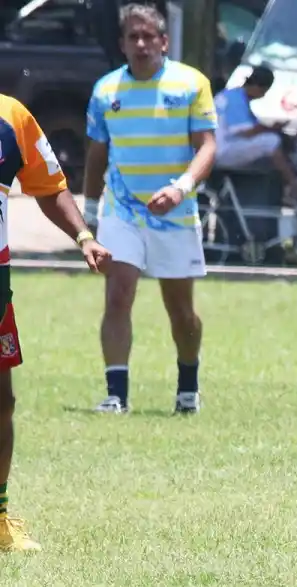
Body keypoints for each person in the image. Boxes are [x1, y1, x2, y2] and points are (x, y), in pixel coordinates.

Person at [82, 3, 218, 415]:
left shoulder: (191, 84)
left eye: (148, 37)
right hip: (122, 210)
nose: (141, 44)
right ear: (122, 44)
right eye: (132, 37)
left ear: (164, 41)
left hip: (174, 214)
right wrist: (89, 212)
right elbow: (96, 153)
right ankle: (116, 394)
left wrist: (180, 189)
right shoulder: (107, 91)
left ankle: (188, 387)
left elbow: (208, 147)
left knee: (180, 311)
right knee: (118, 296)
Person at [0, 94, 111, 551]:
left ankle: (0, 517)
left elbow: (49, 187)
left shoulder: (12, 115)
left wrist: (83, 236)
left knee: (1, 402)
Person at [213, 65, 297, 204]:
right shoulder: (234, 98)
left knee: (277, 140)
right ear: (258, 86)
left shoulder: (237, 96)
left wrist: (279, 132)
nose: (264, 94)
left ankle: (290, 181)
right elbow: (248, 132)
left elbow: (254, 128)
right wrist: (273, 129)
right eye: (265, 90)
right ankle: (293, 183)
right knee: (271, 141)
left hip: (224, 147)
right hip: (220, 151)